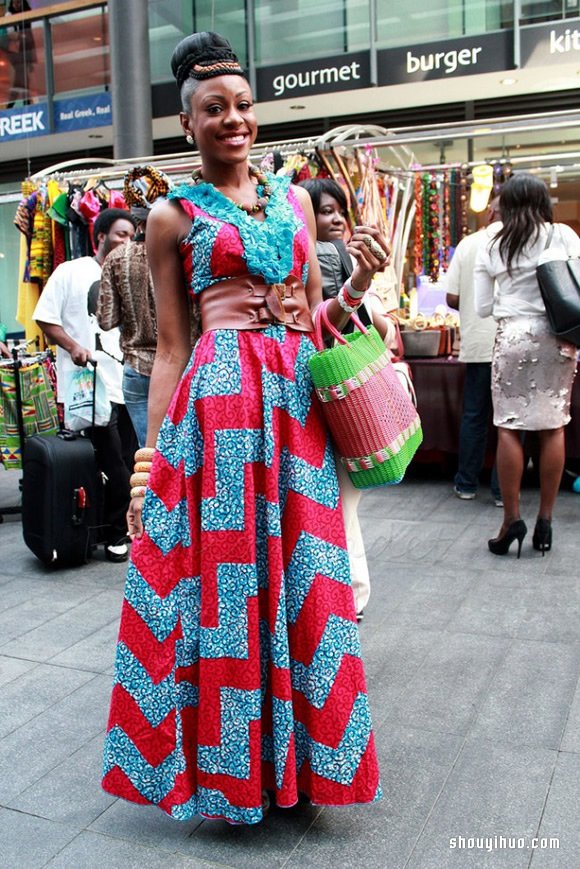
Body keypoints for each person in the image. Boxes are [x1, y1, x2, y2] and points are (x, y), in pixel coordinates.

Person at [102, 31, 387, 824]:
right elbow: (171, 347)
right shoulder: (171, 216)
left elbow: (315, 319)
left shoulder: (293, 202)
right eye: (214, 108)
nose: (234, 119)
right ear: (187, 122)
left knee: (309, 576)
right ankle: (236, 775)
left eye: (243, 106)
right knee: (229, 586)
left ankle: (309, 768)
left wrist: (359, 282)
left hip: (296, 407)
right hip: (220, 411)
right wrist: (150, 462)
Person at [299, 176, 394, 621]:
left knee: (339, 502)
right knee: (341, 502)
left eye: (340, 210)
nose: (336, 219)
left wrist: (361, 288)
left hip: (337, 392)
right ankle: (350, 595)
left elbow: (376, 328)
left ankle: (349, 596)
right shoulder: (327, 258)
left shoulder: (340, 257)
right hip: (336, 391)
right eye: (325, 211)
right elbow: (381, 330)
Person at [474, 172, 580, 557]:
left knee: (508, 427)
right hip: (558, 336)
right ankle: (546, 522)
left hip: (513, 336)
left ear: (505, 205)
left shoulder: (492, 242)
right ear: (543, 202)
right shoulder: (562, 235)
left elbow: (482, 306)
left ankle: (511, 520)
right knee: (553, 427)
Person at [33, 208, 138, 563]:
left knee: (129, 460)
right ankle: (115, 534)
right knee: (113, 462)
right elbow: (45, 318)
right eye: (121, 234)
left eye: (132, 236)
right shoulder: (71, 271)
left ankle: (119, 527)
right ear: (100, 237)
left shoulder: (131, 273)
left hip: (128, 382)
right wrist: (74, 347)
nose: (127, 241)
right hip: (89, 386)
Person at [97, 166, 172, 448]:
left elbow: (106, 320)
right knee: (185, 453)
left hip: (137, 368)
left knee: (149, 453)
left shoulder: (117, 258)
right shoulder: (180, 252)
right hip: (179, 367)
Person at [445, 197, 502, 506]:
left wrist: (472, 302)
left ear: (490, 213)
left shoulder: (469, 244)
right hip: (515, 344)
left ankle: (466, 483)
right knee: (510, 422)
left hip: (479, 343)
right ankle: (503, 491)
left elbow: (452, 297)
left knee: (474, 416)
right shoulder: (524, 241)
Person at [6, 0, 35, 106]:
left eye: (18, 3)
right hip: (15, 51)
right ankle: (17, 103)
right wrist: (21, 36)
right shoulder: (9, 14)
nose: (16, 5)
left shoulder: (26, 12)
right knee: (21, 77)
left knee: (22, 77)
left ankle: (14, 103)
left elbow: (30, 35)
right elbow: (11, 33)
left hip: (26, 49)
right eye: (14, 3)